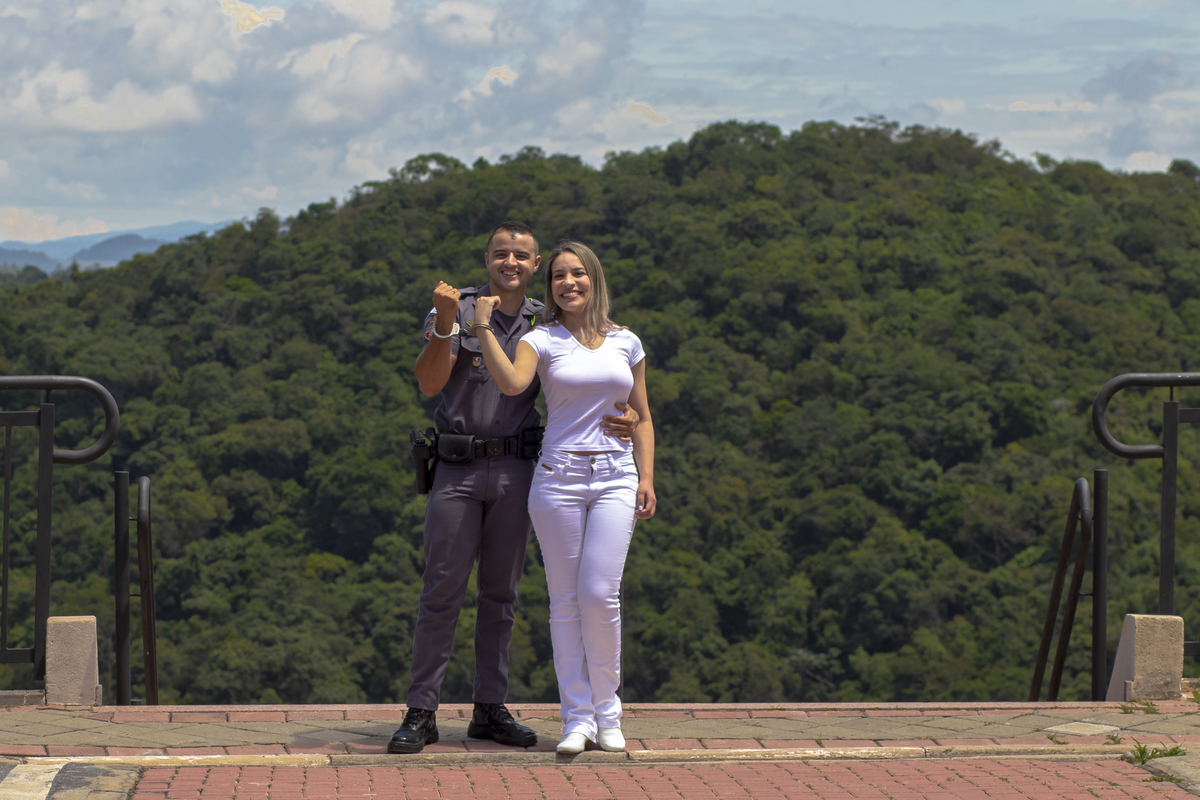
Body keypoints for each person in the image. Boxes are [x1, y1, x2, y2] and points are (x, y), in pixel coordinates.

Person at [389, 223, 639, 755]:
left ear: (535, 265)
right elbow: (429, 383)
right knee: (442, 589)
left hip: (520, 466)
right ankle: (421, 710)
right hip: (457, 466)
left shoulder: (546, 320)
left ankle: (489, 708)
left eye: (521, 256)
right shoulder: (456, 310)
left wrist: (632, 416)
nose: (511, 262)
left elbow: (590, 378)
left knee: (501, 593)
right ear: (487, 259)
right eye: (501, 253)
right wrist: (445, 322)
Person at [473, 240, 655, 755]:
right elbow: (512, 384)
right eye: (558, 276)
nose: (568, 283)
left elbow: (642, 416)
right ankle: (577, 718)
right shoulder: (541, 338)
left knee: (600, 595)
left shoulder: (626, 342)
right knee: (565, 602)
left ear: (594, 279)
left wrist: (646, 477)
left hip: (616, 476)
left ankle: (608, 714)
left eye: (577, 273)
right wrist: (482, 326)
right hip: (558, 478)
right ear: (549, 285)